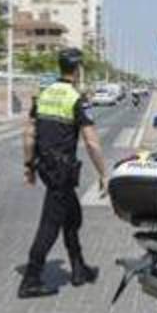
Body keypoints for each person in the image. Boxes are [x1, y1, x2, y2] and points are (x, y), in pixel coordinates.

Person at [19, 48, 109, 298]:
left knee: (73, 217)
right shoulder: (76, 99)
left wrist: (29, 167)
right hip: (62, 171)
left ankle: (79, 269)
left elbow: (28, 135)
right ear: (78, 69)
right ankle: (31, 279)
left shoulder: (44, 95)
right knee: (50, 224)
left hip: (46, 167)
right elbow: (91, 142)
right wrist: (104, 174)